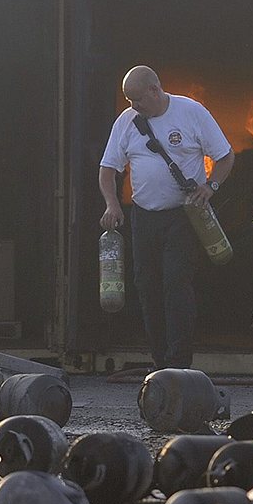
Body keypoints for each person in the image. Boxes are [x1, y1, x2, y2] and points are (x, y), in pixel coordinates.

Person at [98, 65, 235, 370]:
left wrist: (210, 186)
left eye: (138, 99)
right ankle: (160, 362)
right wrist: (112, 204)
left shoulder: (191, 113)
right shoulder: (127, 121)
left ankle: (179, 363)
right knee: (146, 286)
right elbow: (107, 169)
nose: (134, 106)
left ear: (155, 90)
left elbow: (225, 156)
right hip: (143, 217)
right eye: (129, 100)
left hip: (183, 217)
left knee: (176, 285)